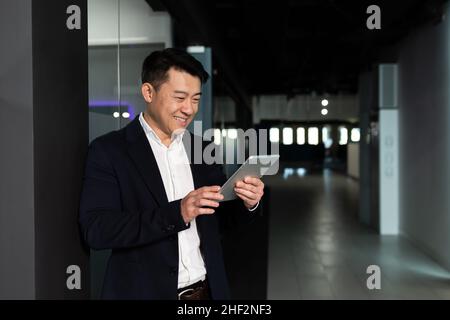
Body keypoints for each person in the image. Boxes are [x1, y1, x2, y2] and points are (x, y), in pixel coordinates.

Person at [79, 48, 264, 300]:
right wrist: (177, 213)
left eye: (196, 99)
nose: (189, 109)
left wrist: (247, 202)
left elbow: (220, 221)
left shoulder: (203, 148)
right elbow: (97, 230)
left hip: (207, 293)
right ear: (148, 92)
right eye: (180, 97)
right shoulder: (109, 151)